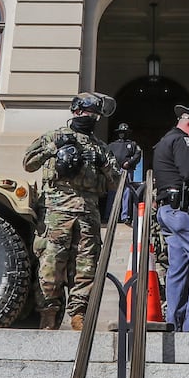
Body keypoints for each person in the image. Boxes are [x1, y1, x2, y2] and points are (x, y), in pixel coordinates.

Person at [23, 92, 120, 330]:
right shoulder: (55, 135)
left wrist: (104, 165)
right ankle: (48, 315)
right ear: (76, 112)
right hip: (57, 211)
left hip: (88, 214)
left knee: (86, 269)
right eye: (89, 113)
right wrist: (54, 148)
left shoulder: (100, 147)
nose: (92, 118)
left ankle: (79, 315)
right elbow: (29, 162)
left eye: (96, 115)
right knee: (50, 266)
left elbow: (117, 181)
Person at [152, 105, 189, 332]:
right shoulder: (184, 141)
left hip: (168, 212)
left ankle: (174, 322)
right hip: (184, 213)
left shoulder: (163, 142)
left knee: (178, 269)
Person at [106, 122, 143, 222]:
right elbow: (106, 156)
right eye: (121, 132)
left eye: (125, 132)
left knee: (127, 192)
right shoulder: (112, 145)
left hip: (127, 170)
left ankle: (125, 216)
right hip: (114, 170)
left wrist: (129, 162)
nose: (123, 134)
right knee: (112, 192)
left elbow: (137, 155)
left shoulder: (132, 144)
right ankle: (110, 215)